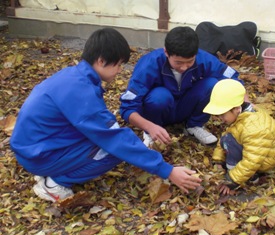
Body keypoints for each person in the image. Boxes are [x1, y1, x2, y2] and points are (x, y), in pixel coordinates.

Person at [10, 27, 202, 203]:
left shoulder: (75, 76)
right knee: (113, 151)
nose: (120, 71)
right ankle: (54, 182)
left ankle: (53, 167)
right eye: (118, 65)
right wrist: (168, 170)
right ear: (101, 61)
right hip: (38, 155)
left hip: (37, 145)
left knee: (115, 141)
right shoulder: (79, 91)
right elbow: (114, 139)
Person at [119, 26, 247, 147]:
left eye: (190, 62)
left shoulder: (203, 58)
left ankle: (194, 125)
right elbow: (127, 107)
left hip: (185, 107)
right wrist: (148, 126)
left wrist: (248, 107)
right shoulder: (149, 64)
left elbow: (233, 79)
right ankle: (152, 133)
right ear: (166, 52)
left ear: (196, 54)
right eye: (178, 62)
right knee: (159, 95)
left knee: (211, 84)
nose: (184, 67)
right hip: (158, 110)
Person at [203, 79, 275, 195]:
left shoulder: (254, 127)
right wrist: (218, 160)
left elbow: (252, 160)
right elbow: (225, 136)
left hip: (262, 161)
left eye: (222, 115)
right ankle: (237, 169)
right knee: (228, 138)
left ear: (236, 109)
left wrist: (232, 180)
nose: (220, 119)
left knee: (231, 140)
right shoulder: (240, 117)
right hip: (254, 153)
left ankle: (251, 176)